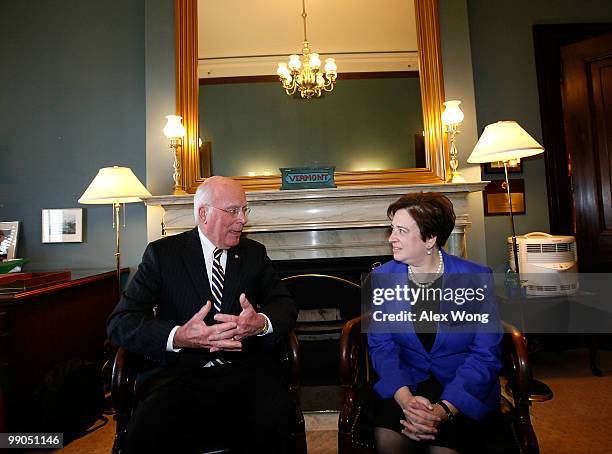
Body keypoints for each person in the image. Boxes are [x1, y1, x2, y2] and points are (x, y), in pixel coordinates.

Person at [107, 176, 298, 453]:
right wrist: (178, 336)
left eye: (245, 210)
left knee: (277, 415)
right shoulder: (163, 255)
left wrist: (260, 323)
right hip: (178, 376)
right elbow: (121, 321)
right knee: (145, 432)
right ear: (203, 213)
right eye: (233, 210)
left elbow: (284, 303)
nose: (242, 219)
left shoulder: (253, 254)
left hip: (244, 372)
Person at [367, 192, 502, 454]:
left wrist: (442, 409)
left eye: (402, 231)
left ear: (430, 238)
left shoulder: (475, 278)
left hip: (462, 386)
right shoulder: (383, 278)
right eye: (392, 228)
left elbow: (486, 355)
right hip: (406, 381)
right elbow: (381, 347)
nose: (391, 238)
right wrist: (406, 400)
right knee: (388, 441)